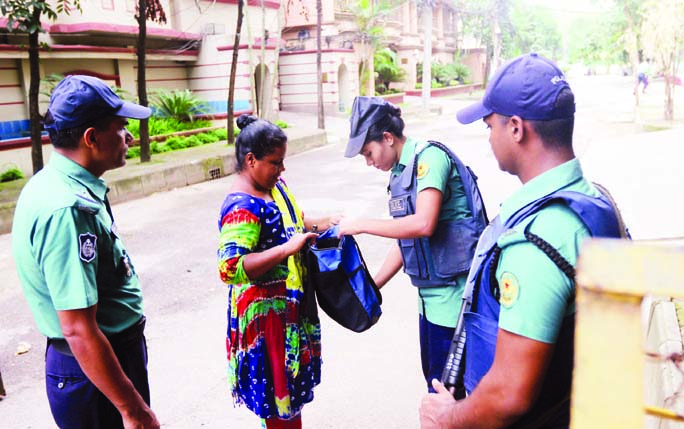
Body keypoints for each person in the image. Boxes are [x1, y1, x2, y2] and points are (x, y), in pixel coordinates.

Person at [419, 53, 626, 429]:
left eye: (489, 127)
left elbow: (508, 395)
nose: (489, 138)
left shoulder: (535, 239)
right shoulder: (596, 202)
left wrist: (448, 418)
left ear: (516, 128)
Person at [11, 75, 159, 428]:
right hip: (94, 371)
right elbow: (78, 329)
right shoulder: (67, 210)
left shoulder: (58, 185)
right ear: (91, 138)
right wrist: (133, 410)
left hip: (103, 362)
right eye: (121, 127)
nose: (130, 137)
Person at [338, 96, 488, 392]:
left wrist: (362, 225)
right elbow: (406, 239)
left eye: (369, 153)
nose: (369, 162)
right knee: (437, 387)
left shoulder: (429, 159)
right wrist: (373, 285)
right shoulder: (398, 174)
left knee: (450, 396)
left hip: (456, 303)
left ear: (387, 138)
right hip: (430, 304)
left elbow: (423, 224)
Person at [217, 115, 339, 429]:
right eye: (276, 163)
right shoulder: (241, 206)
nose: (282, 169)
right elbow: (231, 268)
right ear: (250, 160)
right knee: (277, 406)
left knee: (289, 404)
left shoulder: (273, 187)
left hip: (288, 312)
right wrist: (287, 250)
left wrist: (328, 223)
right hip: (266, 323)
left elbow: (294, 221)